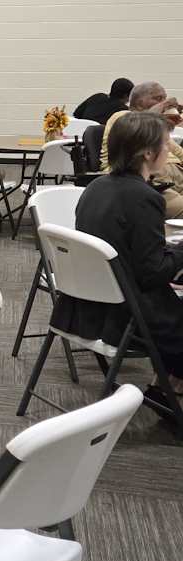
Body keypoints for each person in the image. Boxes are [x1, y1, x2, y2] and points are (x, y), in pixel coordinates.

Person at [53, 112, 183, 413]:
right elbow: (152, 272)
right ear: (149, 153)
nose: (170, 151)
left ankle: (167, 386)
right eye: (166, 145)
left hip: (84, 305)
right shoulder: (144, 197)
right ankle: (170, 387)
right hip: (125, 315)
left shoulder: (98, 186)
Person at [100, 81, 183, 218]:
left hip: (172, 178)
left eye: (164, 98)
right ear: (138, 102)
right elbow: (141, 121)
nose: (164, 103)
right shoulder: (123, 118)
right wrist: (163, 107)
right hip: (150, 182)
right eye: (158, 98)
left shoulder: (156, 129)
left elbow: (177, 151)